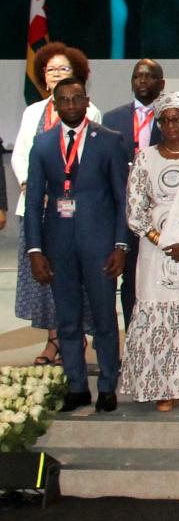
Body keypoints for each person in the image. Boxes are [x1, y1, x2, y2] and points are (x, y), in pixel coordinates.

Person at [23, 78, 130, 413]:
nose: (70, 105)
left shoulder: (110, 141)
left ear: (87, 101)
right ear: (55, 105)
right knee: (67, 320)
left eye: (76, 99)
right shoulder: (42, 144)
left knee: (104, 319)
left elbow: (121, 198)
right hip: (58, 246)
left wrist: (121, 245)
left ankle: (109, 385)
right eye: (63, 100)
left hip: (100, 246)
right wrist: (35, 251)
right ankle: (76, 385)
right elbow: (32, 205)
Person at [117, 91, 179, 411]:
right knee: (159, 314)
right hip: (154, 251)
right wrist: (161, 241)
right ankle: (164, 387)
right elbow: (135, 211)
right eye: (165, 119)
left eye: (178, 118)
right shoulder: (145, 158)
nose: (171, 125)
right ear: (158, 123)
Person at [12, 43, 101, 367]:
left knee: (74, 277)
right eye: (51, 70)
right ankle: (53, 341)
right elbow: (21, 155)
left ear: (77, 75)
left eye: (64, 69)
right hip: (38, 209)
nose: (57, 75)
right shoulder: (32, 112)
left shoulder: (90, 113)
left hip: (74, 212)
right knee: (46, 278)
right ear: (43, 78)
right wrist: (31, 186)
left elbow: (87, 161)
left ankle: (74, 339)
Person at [102, 57, 167, 327]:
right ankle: (132, 336)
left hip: (160, 210)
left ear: (161, 84)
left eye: (149, 76)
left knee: (160, 275)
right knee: (129, 277)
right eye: (137, 76)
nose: (142, 81)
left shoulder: (171, 117)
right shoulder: (112, 118)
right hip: (123, 212)